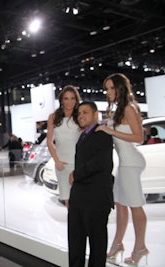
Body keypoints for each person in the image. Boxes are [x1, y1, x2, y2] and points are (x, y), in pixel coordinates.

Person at [97, 73, 148, 265]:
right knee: (120, 205)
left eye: (112, 88)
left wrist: (110, 130)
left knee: (135, 206)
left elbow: (139, 138)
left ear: (120, 88)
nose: (109, 92)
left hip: (131, 162)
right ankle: (118, 243)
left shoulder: (128, 108)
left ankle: (140, 247)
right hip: (124, 163)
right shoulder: (118, 109)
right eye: (107, 89)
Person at [68, 101, 114, 267]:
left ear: (95, 114)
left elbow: (100, 163)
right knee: (75, 243)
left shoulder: (102, 134)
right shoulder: (83, 136)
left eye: (85, 112)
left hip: (96, 199)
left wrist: (75, 174)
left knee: (97, 246)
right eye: (79, 113)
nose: (81, 116)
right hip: (79, 198)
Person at [47, 85, 81, 208]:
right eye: (66, 98)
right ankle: (73, 226)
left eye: (72, 98)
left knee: (79, 199)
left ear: (76, 100)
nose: (69, 102)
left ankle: (82, 226)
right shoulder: (53, 117)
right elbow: (49, 142)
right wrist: (57, 161)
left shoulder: (80, 116)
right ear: (61, 100)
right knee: (68, 201)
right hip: (62, 165)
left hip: (78, 164)